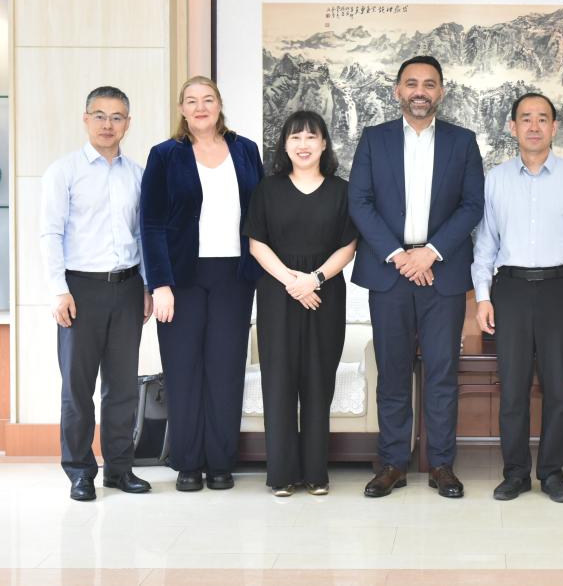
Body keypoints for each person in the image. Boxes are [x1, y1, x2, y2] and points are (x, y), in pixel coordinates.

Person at [349, 55, 484, 499]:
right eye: (412, 83)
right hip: (389, 273)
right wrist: (398, 255)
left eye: (429, 84)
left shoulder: (462, 142)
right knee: (392, 373)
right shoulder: (375, 139)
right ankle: (393, 463)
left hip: (442, 272)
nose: (420, 91)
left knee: (442, 373)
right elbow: (360, 202)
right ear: (398, 91)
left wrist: (429, 253)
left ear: (441, 91)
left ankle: (441, 464)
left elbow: (472, 205)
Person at [472, 93, 563, 504]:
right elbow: (485, 245)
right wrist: (483, 297)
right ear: (513, 127)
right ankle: (514, 473)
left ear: (554, 127)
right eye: (525, 119)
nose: (534, 126)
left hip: (560, 289)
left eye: (542, 118)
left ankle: (551, 473)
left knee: (558, 388)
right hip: (510, 289)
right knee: (512, 388)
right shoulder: (496, 179)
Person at [140, 75, 264, 492]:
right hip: (180, 280)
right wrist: (159, 284)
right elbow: (151, 224)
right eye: (191, 101)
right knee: (183, 370)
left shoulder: (245, 150)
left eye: (207, 99)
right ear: (182, 109)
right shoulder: (164, 155)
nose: (200, 107)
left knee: (226, 370)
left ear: (219, 104)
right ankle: (188, 463)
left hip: (234, 276)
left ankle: (221, 463)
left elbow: (260, 214)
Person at [40, 86, 153, 501]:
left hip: (127, 288)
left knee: (122, 388)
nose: (108, 124)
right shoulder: (64, 171)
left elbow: (142, 235)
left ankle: (120, 469)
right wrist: (58, 290)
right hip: (80, 290)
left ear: (128, 123)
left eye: (117, 116)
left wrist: (146, 286)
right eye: (100, 115)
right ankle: (79, 471)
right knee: (78, 387)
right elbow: (50, 233)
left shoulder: (137, 174)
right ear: (86, 119)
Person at [245, 111, 358, 497]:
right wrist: (293, 282)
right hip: (277, 294)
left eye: (311, 137)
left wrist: (315, 279)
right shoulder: (268, 189)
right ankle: (281, 474)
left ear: (324, 144)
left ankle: (315, 473)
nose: (304, 144)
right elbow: (256, 243)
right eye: (295, 137)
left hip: (325, 295)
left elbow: (348, 246)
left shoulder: (341, 191)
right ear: (285, 145)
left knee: (318, 382)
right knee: (278, 382)